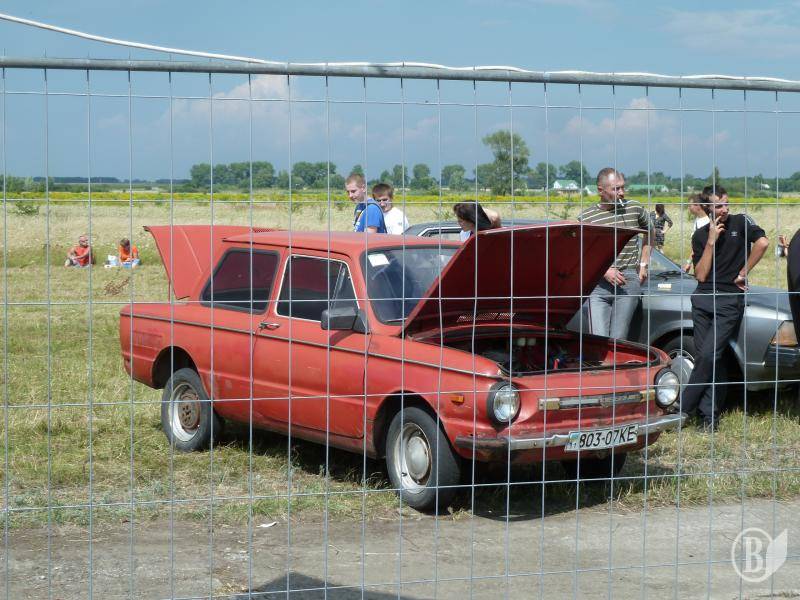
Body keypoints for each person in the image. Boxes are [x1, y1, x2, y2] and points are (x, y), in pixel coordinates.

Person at [682, 186, 769, 431]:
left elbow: (763, 243)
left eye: (727, 204)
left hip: (729, 301)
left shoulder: (741, 222)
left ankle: (681, 408)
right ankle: (708, 419)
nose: (725, 209)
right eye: (719, 205)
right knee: (710, 358)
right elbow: (700, 275)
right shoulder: (700, 236)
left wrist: (743, 272)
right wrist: (711, 242)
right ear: (707, 208)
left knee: (708, 355)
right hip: (702, 299)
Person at [577, 167, 654, 339]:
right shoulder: (586, 217)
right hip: (597, 284)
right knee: (597, 339)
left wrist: (643, 264)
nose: (622, 193)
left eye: (623, 187)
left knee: (618, 339)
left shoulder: (634, 208)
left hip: (627, 280)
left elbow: (651, 231)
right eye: (616, 189)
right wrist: (603, 270)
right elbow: (580, 252)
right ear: (600, 190)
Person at [683, 194, 711, 272]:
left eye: (690, 205)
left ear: (698, 206)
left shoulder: (706, 222)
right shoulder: (698, 219)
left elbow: (698, 246)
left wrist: (688, 263)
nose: (688, 208)